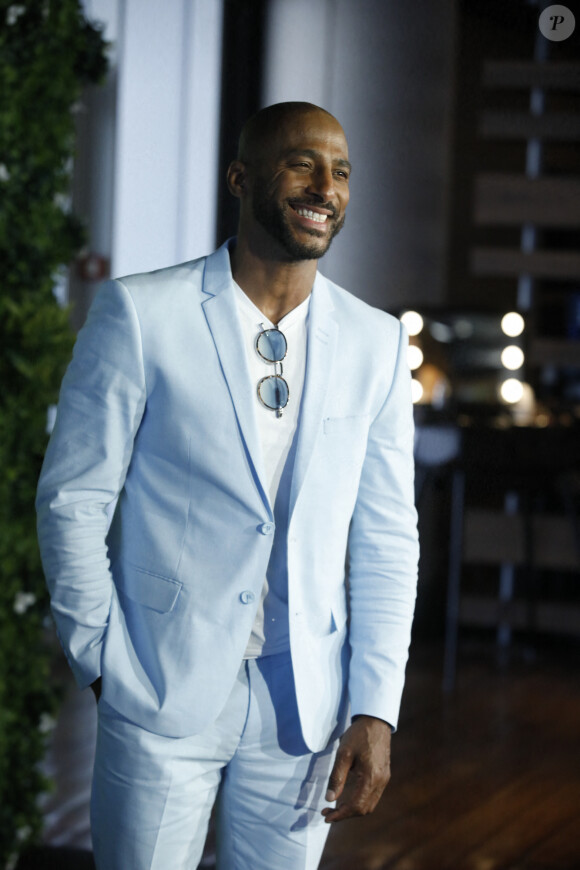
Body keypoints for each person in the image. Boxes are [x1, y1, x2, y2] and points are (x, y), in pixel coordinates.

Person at [36, 101, 419, 870]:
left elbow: (385, 537)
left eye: (341, 171)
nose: (325, 185)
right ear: (241, 177)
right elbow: (73, 499)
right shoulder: (143, 314)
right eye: (301, 162)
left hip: (304, 708)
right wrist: (103, 660)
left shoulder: (376, 342)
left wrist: (375, 706)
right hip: (158, 685)